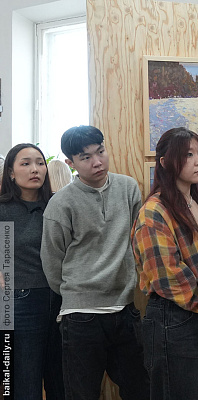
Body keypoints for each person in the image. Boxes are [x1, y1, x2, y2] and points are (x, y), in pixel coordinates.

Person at [40, 126, 149, 400]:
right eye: (86, 157)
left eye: (100, 152)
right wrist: (79, 291)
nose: (97, 162)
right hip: (81, 316)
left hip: (125, 309)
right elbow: (52, 262)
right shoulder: (60, 204)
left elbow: (138, 241)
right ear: (71, 163)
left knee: (141, 390)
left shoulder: (128, 187)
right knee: (82, 394)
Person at [131, 127, 198, 399]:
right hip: (174, 321)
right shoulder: (154, 211)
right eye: (188, 155)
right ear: (165, 162)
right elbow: (169, 278)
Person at [0, 144, 64, 399]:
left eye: (39, 162)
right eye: (25, 163)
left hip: (61, 298)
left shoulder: (57, 205)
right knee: (24, 381)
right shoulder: (3, 209)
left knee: (61, 379)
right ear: (11, 172)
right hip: (19, 300)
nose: (35, 169)